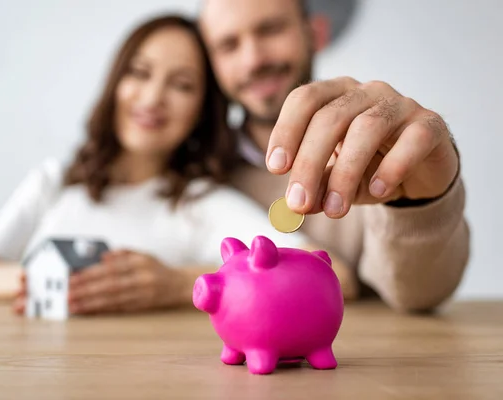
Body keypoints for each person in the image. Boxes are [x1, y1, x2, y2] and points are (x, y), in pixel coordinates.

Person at [0, 15, 310, 314]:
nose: (152, 98)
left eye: (181, 85)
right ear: (115, 81)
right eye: (139, 73)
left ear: (202, 111)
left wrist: (178, 284)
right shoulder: (53, 182)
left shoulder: (200, 203)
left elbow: (325, 271)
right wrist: (65, 280)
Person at [198, 0, 470, 312]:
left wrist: (419, 205)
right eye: (228, 45)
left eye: (270, 29)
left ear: (316, 33)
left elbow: (422, 296)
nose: (253, 60)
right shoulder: (196, 170)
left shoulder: (375, 149)